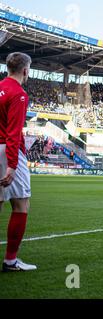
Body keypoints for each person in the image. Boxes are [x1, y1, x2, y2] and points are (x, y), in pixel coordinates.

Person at [0, 52, 36, 272]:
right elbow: (13, 133)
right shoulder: (18, 94)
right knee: (21, 204)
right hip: (7, 150)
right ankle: (11, 260)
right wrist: (12, 165)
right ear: (25, 70)